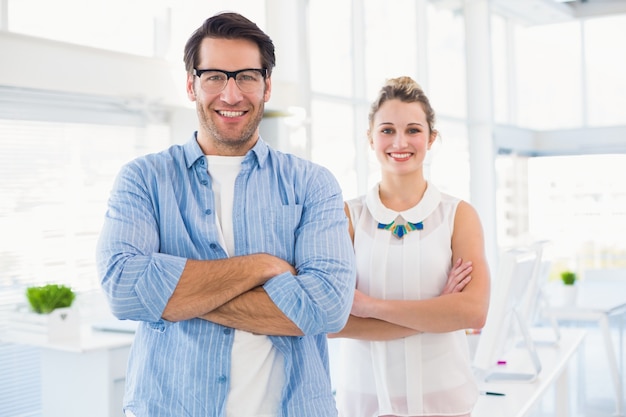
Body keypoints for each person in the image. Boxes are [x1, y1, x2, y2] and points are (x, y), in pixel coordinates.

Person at [96, 12, 356, 417]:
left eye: (247, 76)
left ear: (267, 86)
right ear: (191, 85)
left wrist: (172, 298)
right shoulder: (144, 180)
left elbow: (326, 310)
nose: (231, 95)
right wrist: (262, 267)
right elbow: (125, 290)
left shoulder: (312, 184)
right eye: (215, 76)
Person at [329, 76, 491, 417]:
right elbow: (331, 322)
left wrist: (369, 306)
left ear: (431, 138)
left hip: (444, 400)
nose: (400, 142)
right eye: (387, 130)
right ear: (370, 138)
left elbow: (474, 311)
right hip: (365, 401)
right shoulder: (347, 216)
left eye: (413, 130)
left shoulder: (457, 215)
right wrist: (440, 311)